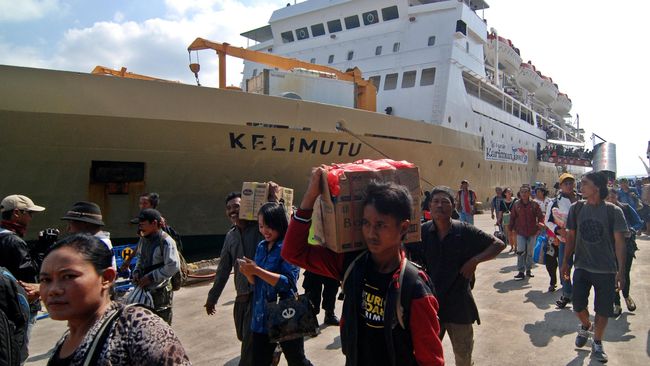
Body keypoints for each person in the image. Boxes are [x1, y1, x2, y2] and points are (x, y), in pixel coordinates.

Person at [282, 168, 444, 366]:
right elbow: (292, 252)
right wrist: (310, 197)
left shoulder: (414, 288)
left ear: (403, 227)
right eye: (366, 223)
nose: (371, 233)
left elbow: (431, 360)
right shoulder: (352, 265)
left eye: (381, 225)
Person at [40, 234, 191, 365]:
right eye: (46, 280)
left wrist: (151, 277)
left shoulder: (136, 328)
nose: (53, 290)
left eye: (68, 276)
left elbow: (172, 265)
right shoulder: (64, 341)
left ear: (106, 278)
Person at [405, 186, 505, 366]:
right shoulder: (422, 232)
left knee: (463, 357)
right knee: (426, 357)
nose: (439, 205)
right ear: (429, 206)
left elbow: (498, 244)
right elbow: (402, 251)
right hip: (431, 306)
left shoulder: (465, 231)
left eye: (445, 201)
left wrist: (475, 260)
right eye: (435, 202)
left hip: (460, 306)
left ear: (453, 205)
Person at [561, 171, 627, 363]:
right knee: (578, 306)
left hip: (606, 270)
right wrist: (566, 262)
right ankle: (586, 325)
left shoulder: (613, 211)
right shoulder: (576, 209)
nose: (580, 187)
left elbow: (620, 243)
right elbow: (571, 236)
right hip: (582, 266)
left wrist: (621, 271)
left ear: (597, 187)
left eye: (585, 183)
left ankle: (597, 342)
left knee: (603, 310)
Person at [237, 202, 312, 366]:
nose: (264, 231)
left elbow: (288, 283)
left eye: (269, 226)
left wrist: (257, 271)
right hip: (261, 317)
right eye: (261, 226)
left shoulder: (288, 248)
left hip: (285, 313)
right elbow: (256, 283)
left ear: (279, 224)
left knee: (297, 360)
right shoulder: (261, 247)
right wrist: (249, 273)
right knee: (259, 361)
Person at [204, 192, 260, 366]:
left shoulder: (260, 229)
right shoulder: (230, 236)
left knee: (249, 348)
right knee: (243, 336)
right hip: (242, 295)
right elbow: (223, 269)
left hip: (260, 295)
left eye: (236, 206)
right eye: (229, 208)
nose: (232, 211)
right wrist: (212, 297)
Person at [0, 195, 46, 349]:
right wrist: (43, 248)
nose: (31, 218)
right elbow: (31, 274)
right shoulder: (14, 241)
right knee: (19, 350)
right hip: (19, 304)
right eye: (29, 213)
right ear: (17, 213)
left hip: (3, 301)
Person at [132, 208, 181, 324]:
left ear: (154, 223)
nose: (140, 228)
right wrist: (137, 271)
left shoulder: (166, 242)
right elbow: (140, 258)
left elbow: (173, 266)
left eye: (142, 224)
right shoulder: (143, 240)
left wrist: (151, 277)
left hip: (160, 293)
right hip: (145, 290)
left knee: (162, 325)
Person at [545, 173, 579, 308]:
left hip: (582, 241)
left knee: (582, 269)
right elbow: (547, 221)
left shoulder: (582, 198)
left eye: (571, 183)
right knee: (564, 268)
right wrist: (558, 231)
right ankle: (566, 293)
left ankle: (579, 295)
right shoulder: (555, 202)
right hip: (565, 240)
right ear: (561, 186)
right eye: (566, 183)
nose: (569, 186)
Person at [606, 189, 642, 315]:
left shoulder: (626, 208)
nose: (611, 198)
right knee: (612, 275)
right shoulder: (603, 211)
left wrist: (631, 230)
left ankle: (626, 296)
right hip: (609, 248)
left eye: (613, 196)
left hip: (627, 246)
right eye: (608, 197)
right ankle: (616, 303)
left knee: (624, 273)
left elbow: (638, 222)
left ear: (617, 196)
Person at [61, 201, 116, 269]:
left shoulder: (96, 247)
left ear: (85, 224)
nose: (68, 228)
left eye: (71, 223)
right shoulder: (101, 242)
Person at [509, 185, 544, 280]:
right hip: (520, 232)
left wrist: (540, 226)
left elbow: (540, 216)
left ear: (529, 193)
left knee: (530, 252)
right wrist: (511, 229)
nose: (524, 194)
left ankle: (528, 269)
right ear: (519, 193)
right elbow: (512, 217)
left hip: (532, 232)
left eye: (526, 192)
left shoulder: (534, 204)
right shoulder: (516, 205)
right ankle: (521, 271)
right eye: (522, 192)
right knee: (520, 252)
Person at [533, 187, 557, 291]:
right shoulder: (551, 204)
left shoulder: (551, 202)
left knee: (565, 265)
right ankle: (553, 281)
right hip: (550, 239)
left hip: (564, 240)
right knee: (550, 262)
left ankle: (566, 284)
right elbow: (546, 221)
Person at [499, 188, 517, 252]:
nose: (509, 193)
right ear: (505, 193)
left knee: (514, 233)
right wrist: (499, 219)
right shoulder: (502, 201)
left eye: (510, 191)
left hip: (515, 218)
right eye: (508, 192)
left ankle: (516, 247)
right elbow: (500, 211)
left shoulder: (515, 200)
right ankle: (512, 247)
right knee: (509, 233)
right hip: (506, 219)